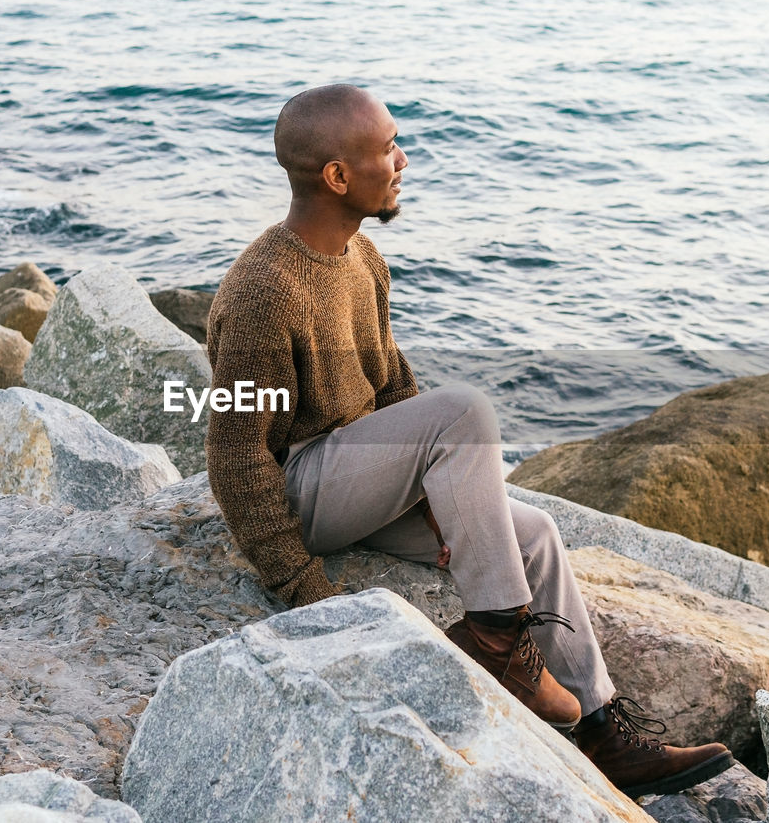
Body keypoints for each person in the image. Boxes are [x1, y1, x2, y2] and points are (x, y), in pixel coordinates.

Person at [204, 83, 734, 799]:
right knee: (465, 412)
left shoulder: (362, 260)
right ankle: (494, 641)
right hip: (302, 488)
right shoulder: (266, 290)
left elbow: (392, 393)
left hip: (359, 475)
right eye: (387, 147)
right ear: (335, 176)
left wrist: (440, 508)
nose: (404, 159)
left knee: (536, 533)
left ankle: (604, 729)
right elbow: (236, 460)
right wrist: (308, 593)